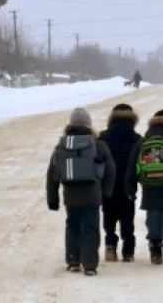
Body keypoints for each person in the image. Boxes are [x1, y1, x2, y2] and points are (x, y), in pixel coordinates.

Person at [46, 107, 115, 276]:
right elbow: (111, 169)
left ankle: (73, 261)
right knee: (90, 227)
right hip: (92, 194)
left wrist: (52, 198)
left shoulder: (61, 145)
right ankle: (90, 265)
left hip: (71, 194)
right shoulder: (97, 144)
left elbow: (52, 173)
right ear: (89, 125)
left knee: (73, 226)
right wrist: (106, 191)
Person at [125, 109, 163, 265]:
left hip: (149, 187)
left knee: (153, 217)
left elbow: (132, 166)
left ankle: (155, 247)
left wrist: (130, 188)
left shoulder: (143, 142)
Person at [97, 103, 142, 262]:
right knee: (127, 216)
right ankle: (128, 251)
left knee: (109, 215)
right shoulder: (137, 139)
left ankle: (110, 245)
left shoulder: (102, 137)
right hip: (128, 184)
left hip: (107, 184)